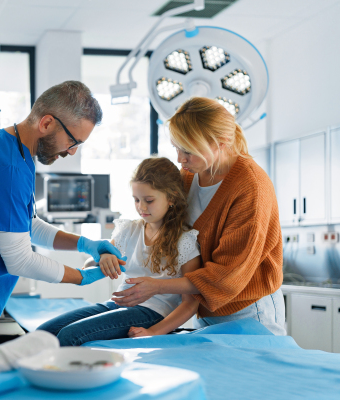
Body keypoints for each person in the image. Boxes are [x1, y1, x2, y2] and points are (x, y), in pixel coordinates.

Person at [0, 81, 126, 344]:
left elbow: (27, 225)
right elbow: (19, 259)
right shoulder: (7, 167)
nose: (72, 152)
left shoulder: (13, 148)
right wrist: (81, 277)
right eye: (73, 141)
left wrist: (85, 245)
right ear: (47, 123)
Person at [111, 97, 285, 335]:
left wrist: (157, 287)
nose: (180, 159)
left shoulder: (251, 188)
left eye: (188, 151)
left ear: (221, 143)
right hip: (202, 308)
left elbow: (226, 276)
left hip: (248, 312)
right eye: (177, 148)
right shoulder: (189, 175)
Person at [37, 158, 201, 345]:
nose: (141, 207)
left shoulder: (184, 241)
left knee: (69, 336)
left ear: (171, 197)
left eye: (149, 200)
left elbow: (191, 303)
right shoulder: (129, 230)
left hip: (152, 312)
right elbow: (91, 264)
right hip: (117, 304)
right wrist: (103, 257)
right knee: (44, 332)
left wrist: (154, 331)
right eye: (136, 200)